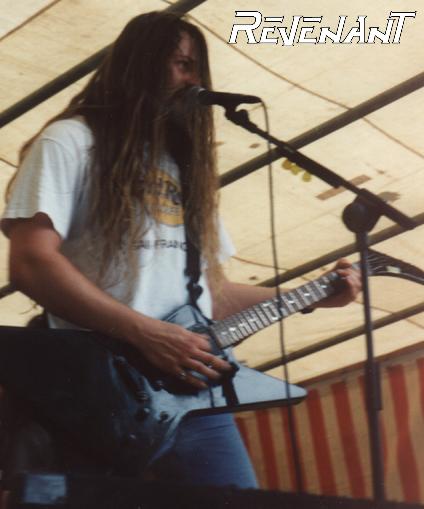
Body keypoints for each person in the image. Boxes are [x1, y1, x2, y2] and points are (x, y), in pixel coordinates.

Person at [0, 11, 361, 489]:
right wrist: (146, 333)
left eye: (196, 68)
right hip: (96, 393)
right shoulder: (71, 140)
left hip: (191, 398)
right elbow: (31, 262)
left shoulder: (185, 170)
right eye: (181, 64)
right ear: (138, 65)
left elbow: (213, 295)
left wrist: (312, 296)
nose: (193, 81)